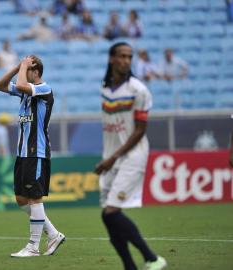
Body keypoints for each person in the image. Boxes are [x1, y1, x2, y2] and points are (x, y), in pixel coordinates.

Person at [94, 42, 167, 270]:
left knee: (112, 212)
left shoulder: (139, 90)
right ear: (112, 59)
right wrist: (109, 157)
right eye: (122, 56)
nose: (126, 60)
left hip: (132, 156)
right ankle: (130, 267)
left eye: (129, 56)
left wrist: (113, 157)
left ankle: (152, 258)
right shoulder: (105, 88)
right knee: (107, 216)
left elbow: (139, 131)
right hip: (111, 157)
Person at [0, 55, 65, 257]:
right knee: (21, 198)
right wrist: (18, 67)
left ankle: (33, 246)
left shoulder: (44, 89)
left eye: (27, 69)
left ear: (36, 71)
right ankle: (53, 234)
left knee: (34, 198)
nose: (24, 73)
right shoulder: (24, 92)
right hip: (22, 153)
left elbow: (21, 84)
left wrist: (22, 68)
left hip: (37, 152)